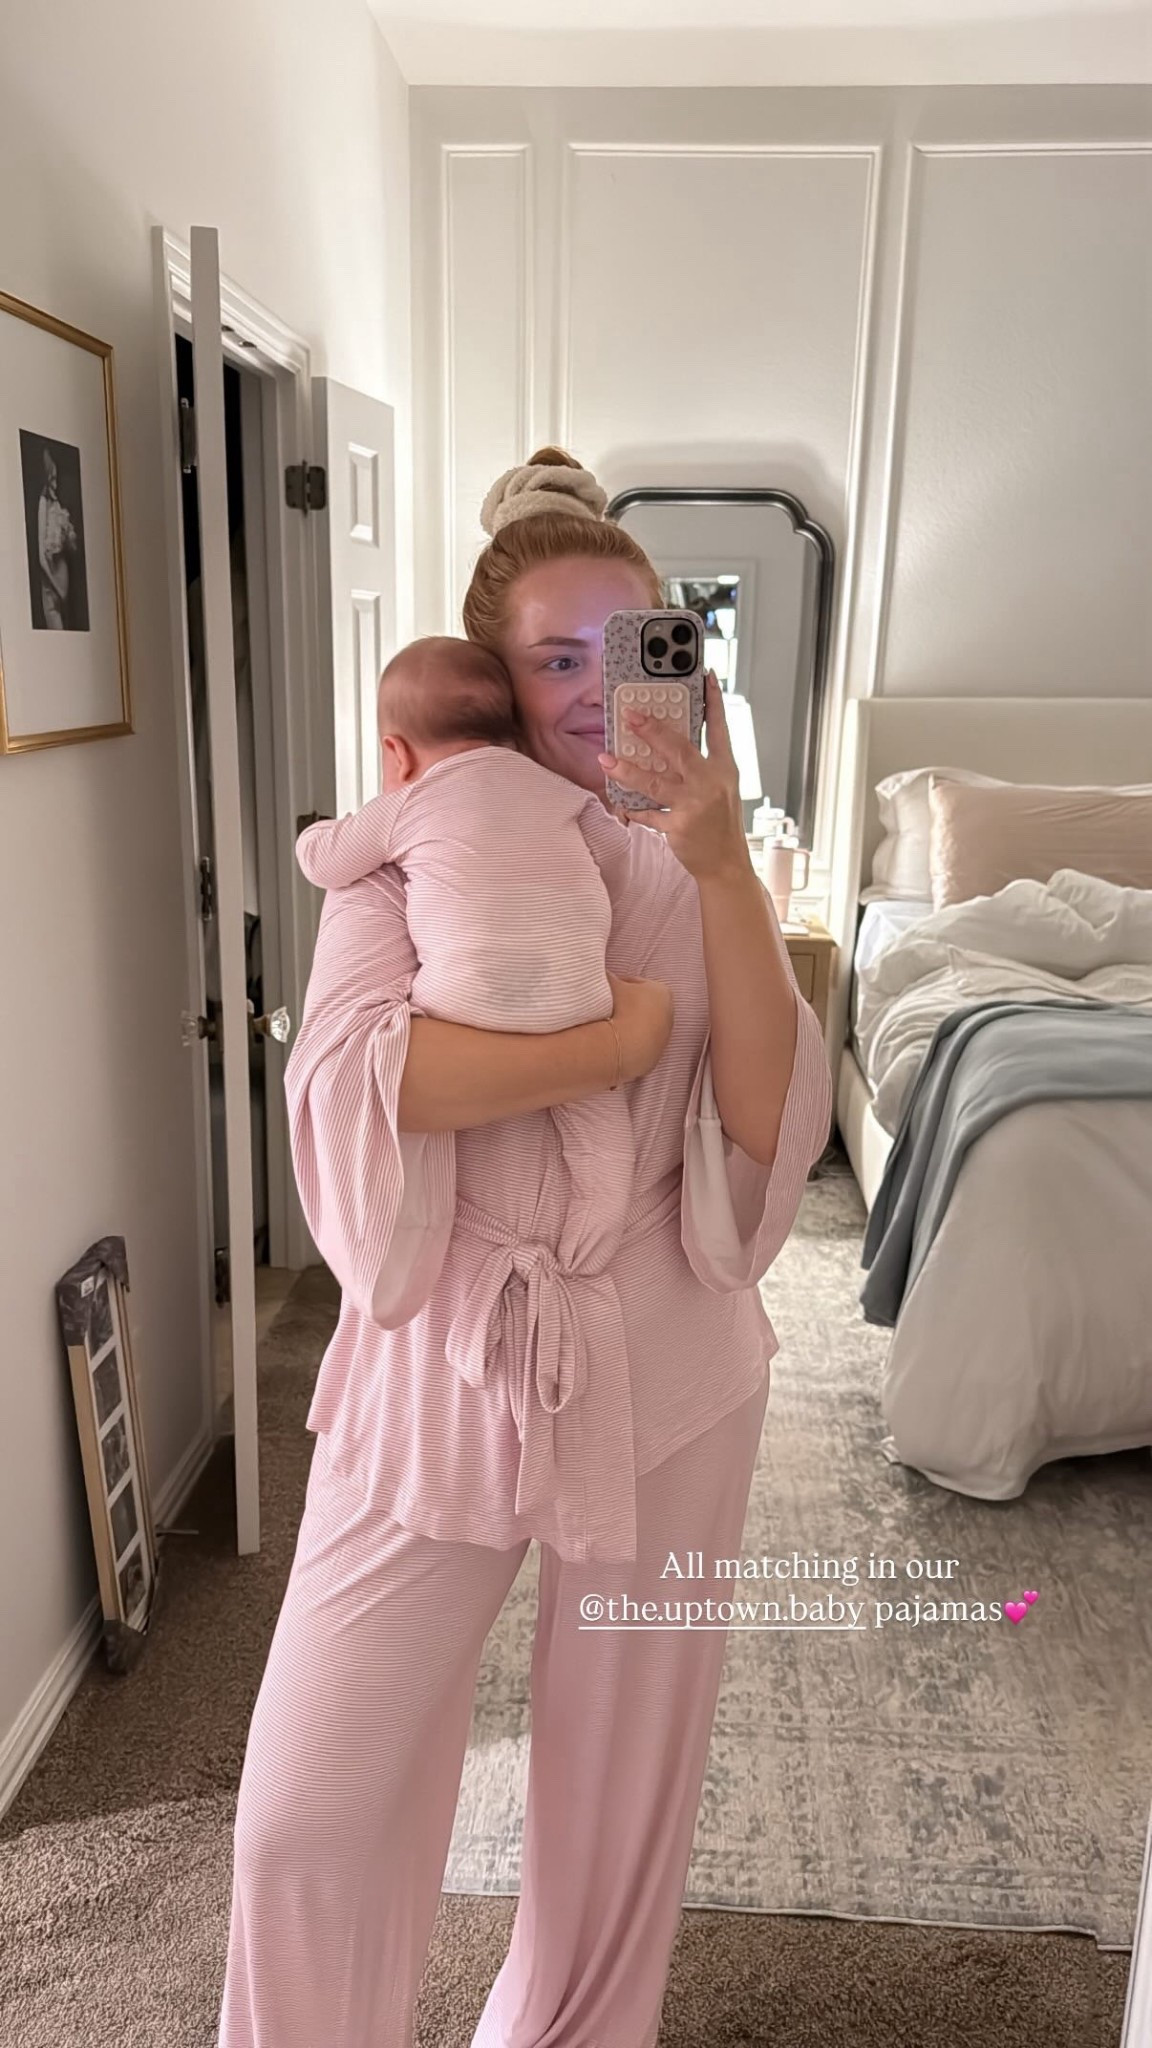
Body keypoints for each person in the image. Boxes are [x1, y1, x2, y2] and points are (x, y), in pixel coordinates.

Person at [216, 447, 834, 2048]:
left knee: (616, 1811)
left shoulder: (711, 854)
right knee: (308, 1808)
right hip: (447, 1347)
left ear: (676, 662)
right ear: (496, 680)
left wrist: (719, 875)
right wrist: (615, 1053)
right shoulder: (423, 827)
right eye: (554, 656)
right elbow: (361, 1078)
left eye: (632, 649)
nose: (591, 687)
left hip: (670, 1355)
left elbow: (766, 1123)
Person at [296, 630, 638, 1319]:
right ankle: (600, 1215)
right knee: (594, 1111)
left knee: (414, 1090)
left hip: (464, 1003)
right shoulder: (557, 792)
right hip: (578, 996)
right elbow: (615, 853)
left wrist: (312, 832)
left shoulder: (409, 802)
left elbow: (327, 862)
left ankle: (406, 1230)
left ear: (396, 754)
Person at [36, 447, 76, 630]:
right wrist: (58, 589)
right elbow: (41, 559)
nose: (55, 485)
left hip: (63, 588)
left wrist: (68, 536)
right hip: (52, 589)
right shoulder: (43, 504)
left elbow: (68, 547)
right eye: (52, 479)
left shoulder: (57, 504)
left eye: (56, 479)